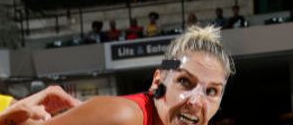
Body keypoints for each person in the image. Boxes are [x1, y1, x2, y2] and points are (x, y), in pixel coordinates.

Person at [41, 25, 235, 125]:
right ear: (157, 81)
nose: (196, 102)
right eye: (184, 81)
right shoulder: (123, 116)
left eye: (211, 91)